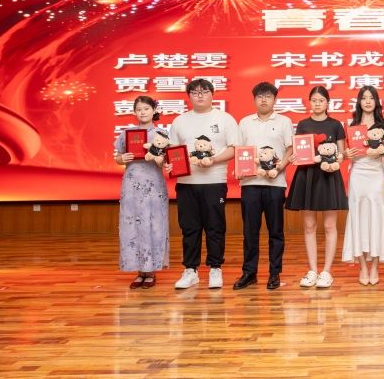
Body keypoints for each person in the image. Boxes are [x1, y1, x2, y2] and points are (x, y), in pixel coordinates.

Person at [169, 79, 239, 290]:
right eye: (195, 92)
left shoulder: (225, 119)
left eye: (204, 91)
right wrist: (170, 164)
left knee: (215, 226)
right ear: (189, 96)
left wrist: (213, 160)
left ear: (212, 94)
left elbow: (234, 148)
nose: (200, 95)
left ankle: (215, 268)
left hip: (214, 182)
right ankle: (190, 270)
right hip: (186, 182)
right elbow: (173, 151)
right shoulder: (180, 121)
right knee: (189, 227)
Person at [285, 86, 348, 288]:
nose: (318, 103)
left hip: (329, 176)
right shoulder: (303, 124)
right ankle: (312, 270)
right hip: (307, 176)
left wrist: (335, 159)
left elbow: (342, 154)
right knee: (309, 226)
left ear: (328, 103)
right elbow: (298, 150)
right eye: (314, 100)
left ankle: (326, 272)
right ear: (309, 102)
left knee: (330, 226)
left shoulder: (336, 125)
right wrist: (295, 157)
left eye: (321, 100)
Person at [233, 82, 293, 291]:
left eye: (268, 96)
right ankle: (249, 273)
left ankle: (274, 273)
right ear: (254, 100)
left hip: (275, 184)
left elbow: (290, 149)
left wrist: (279, 167)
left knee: (276, 231)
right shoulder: (245, 122)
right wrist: (240, 169)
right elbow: (240, 151)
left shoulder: (284, 121)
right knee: (250, 231)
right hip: (250, 183)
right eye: (260, 96)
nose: (264, 100)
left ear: (275, 99)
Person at [113, 96, 169, 289]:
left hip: (153, 185)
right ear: (134, 112)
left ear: (154, 110)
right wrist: (122, 158)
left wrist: (159, 158)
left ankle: (151, 271)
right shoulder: (126, 134)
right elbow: (117, 157)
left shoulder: (162, 134)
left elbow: (167, 160)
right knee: (132, 225)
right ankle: (139, 272)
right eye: (139, 109)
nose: (143, 112)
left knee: (152, 225)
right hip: (131, 184)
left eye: (146, 108)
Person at [341, 86, 384, 285]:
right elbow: (344, 152)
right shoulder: (351, 124)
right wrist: (346, 154)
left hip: (377, 174)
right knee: (358, 218)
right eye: (364, 98)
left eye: (371, 98)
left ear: (376, 101)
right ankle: (363, 266)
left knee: (378, 217)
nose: (368, 101)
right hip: (358, 174)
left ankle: (374, 267)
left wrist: (382, 149)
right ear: (359, 102)